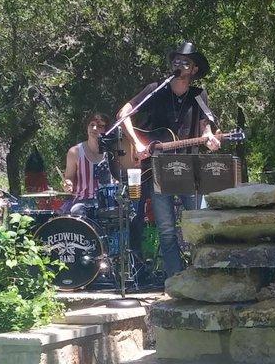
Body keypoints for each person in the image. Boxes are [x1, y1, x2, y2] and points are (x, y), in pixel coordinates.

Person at [117, 41, 220, 278]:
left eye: (185, 62)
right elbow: (124, 113)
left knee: (198, 224)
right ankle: (175, 279)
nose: (179, 65)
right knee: (166, 229)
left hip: (189, 169)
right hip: (158, 169)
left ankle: (201, 275)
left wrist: (210, 139)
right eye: (176, 60)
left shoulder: (198, 94)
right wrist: (137, 143)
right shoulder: (156, 89)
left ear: (194, 69)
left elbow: (206, 129)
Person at [63, 112, 113, 216]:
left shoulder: (113, 152)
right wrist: (67, 184)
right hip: (82, 203)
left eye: (100, 126)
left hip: (108, 201)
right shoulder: (75, 152)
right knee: (77, 212)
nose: (94, 128)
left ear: (106, 130)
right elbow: (68, 178)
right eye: (91, 125)